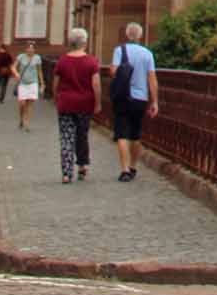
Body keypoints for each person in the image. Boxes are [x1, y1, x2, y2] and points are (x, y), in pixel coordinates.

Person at [108, 21, 158, 179]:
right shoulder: (147, 53)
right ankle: (133, 166)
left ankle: (124, 170)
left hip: (123, 96)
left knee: (122, 133)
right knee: (135, 134)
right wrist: (154, 101)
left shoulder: (119, 50)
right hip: (140, 98)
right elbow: (152, 79)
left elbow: (113, 72)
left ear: (127, 35)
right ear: (140, 36)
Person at [52, 27, 101, 183]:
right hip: (85, 104)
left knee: (66, 138)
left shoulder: (62, 61)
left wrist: (56, 98)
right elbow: (96, 84)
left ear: (70, 42)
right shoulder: (91, 61)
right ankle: (82, 165)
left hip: (66, 103)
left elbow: (55, 84)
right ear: (84, 43)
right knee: (82, 135)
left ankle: (66, 173)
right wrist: (97, 102)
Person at [11, 41, 44, 130]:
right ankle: (21, 118)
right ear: (25, 49)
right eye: (28, 48)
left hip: (33, 83)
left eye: (32, 48)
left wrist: (42, 84)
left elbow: (39, 71)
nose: (30, 50)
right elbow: (13, 67)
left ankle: (27, 122)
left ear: (34, 50)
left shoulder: (37, 58)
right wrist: (16, 73)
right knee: (22, 104)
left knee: (30, 104)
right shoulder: (21, 57)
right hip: (22, 83)